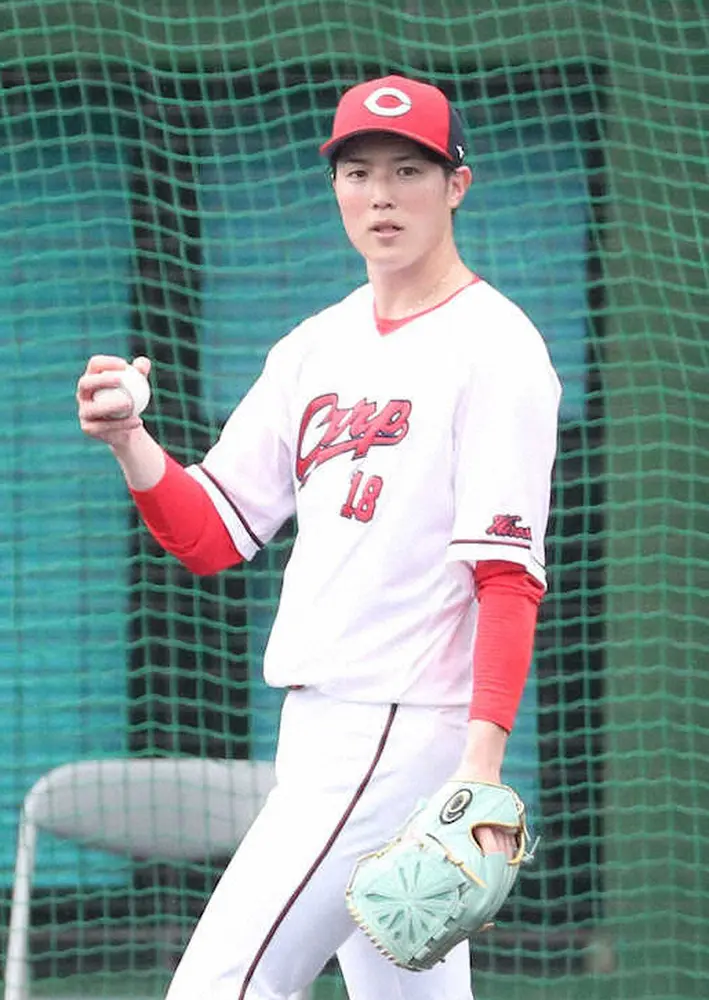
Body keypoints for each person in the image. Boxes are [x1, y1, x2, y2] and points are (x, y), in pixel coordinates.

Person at [77, 75, 560, 1000]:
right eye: (358, 171)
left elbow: (506, 576)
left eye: (409, 170)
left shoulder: (496, 348)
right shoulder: (313, 347)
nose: (381, 195)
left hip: (399, 721)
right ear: (335, 186)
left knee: (221, 985)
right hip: (320, 724)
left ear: (456, 184)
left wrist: (480, 767)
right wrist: (132, 442)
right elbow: (213, 533)